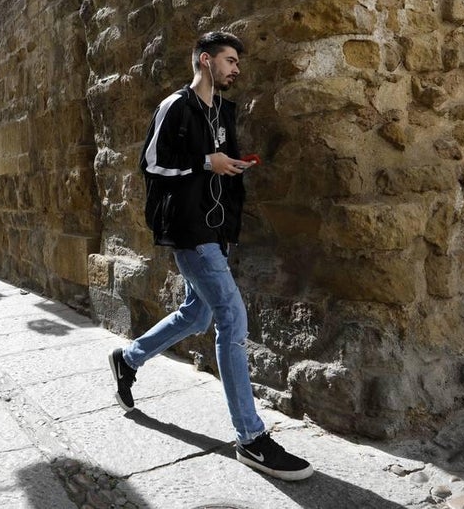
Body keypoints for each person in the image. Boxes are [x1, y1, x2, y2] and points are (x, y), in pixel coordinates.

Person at [108, 30, 314, 481]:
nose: (236, 68)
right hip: (188, 230)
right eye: (229, 60)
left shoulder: (221, 110)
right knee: (231, 319)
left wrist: (230, 166)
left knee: (196, 316)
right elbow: (151, 163)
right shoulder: (175, 106)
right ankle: (251, 438)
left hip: (215, 228)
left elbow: (216, 162)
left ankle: (128, 359)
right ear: (205, 61)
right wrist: (207, 163)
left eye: (236, 61)